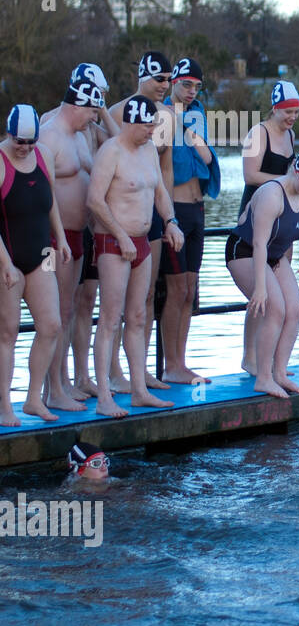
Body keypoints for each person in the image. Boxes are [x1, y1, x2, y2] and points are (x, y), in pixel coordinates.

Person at [86, 95, 184, 418]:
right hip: (113, 244)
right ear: (131, 123)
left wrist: (170, 222)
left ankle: (140, 390)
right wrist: (119, 234)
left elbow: (159, 193)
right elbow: (95, 201)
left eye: (154, 126)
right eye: (147, 126)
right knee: (110, 319)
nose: (151, 132)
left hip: (142, 242)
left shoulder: (148, 151)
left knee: (139, 316)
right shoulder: (111, 151)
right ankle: (103, 396)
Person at [226, 145, 299, 398]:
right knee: (275, 307)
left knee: (295, 309)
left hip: (274, 256)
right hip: (244, 251)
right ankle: (263, 378)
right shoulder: (272, 194)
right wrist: (259, 288)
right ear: (295, 169)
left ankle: (279, 373)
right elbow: (258, 243)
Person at [107, 52, 176, 395]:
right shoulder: (116, 113)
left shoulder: (167, 116)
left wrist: (171, 218)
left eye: (169, 80)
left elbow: (165, 171)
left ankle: (141, 369)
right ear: (143, 77)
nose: (166, 86)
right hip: (117, 220)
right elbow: (103, 167)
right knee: (112, 303)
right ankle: (113, 370)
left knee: (146, 296)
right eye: (160, 79)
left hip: (150, 217)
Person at [0, 106, 72, 425]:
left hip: (42, 254)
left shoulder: (42, 154)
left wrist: (62, 239)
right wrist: (6, 264)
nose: (25, 148)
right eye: (20, 141)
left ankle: (32, 399)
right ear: (8, 133)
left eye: (30, 141)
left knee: (52, 325)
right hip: (6, 259)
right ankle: (4, 405)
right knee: (8, 332)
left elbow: (50, 201)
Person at [37, 74, 102, 412]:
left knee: (69, 308)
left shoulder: (77, 135)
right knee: (55, 312)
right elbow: (41, 194)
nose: (95, 119)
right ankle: (53, 389)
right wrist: (58, 237)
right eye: (92, 112)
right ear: (79, 104)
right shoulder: (49, 136)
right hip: (54, 238)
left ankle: (62, 382)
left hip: (78, 235)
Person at [160, 57, 218, 386]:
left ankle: (181, 363)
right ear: (173, 83)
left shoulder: (198, 115)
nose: (191, 91)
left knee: (190, 291)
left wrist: (193, 133)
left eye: (196, 86)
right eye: (186, 84)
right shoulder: (162, 116)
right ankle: (171, 365)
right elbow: (161, 168)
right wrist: (167, 217)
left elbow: (208, 158)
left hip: (198, 210)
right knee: (177, 288)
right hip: (176, 212)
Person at [241, 80, 299, 212]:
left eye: (296, 112)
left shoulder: (291, 134)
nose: (293, 117)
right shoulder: (257, 133)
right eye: (288, 112)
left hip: (280, 207)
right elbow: (250, 176)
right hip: (255, 207)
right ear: (275, 109)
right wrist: (288, 180)